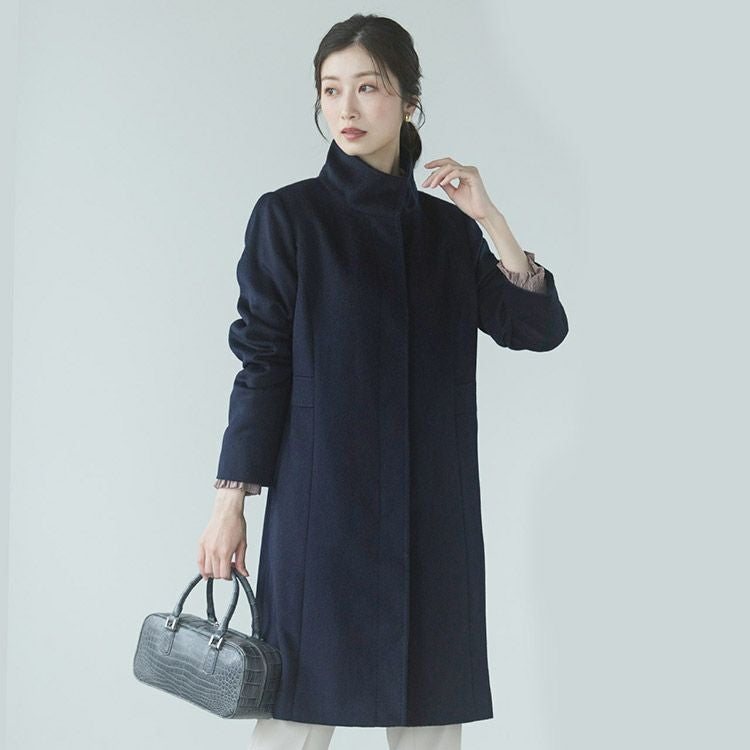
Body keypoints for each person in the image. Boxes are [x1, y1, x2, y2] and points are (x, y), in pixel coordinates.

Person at [197, 12, 569, 750]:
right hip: (323, 512)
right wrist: (228, 503)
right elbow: (262, 362)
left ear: (409, 100)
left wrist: (491, 220)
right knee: (296, 717)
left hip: (431, 512)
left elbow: (537, 329)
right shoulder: (289, 218)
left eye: (367, 87)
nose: (347, 107)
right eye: (331, 89)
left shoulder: (447, 231)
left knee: (430, 717)